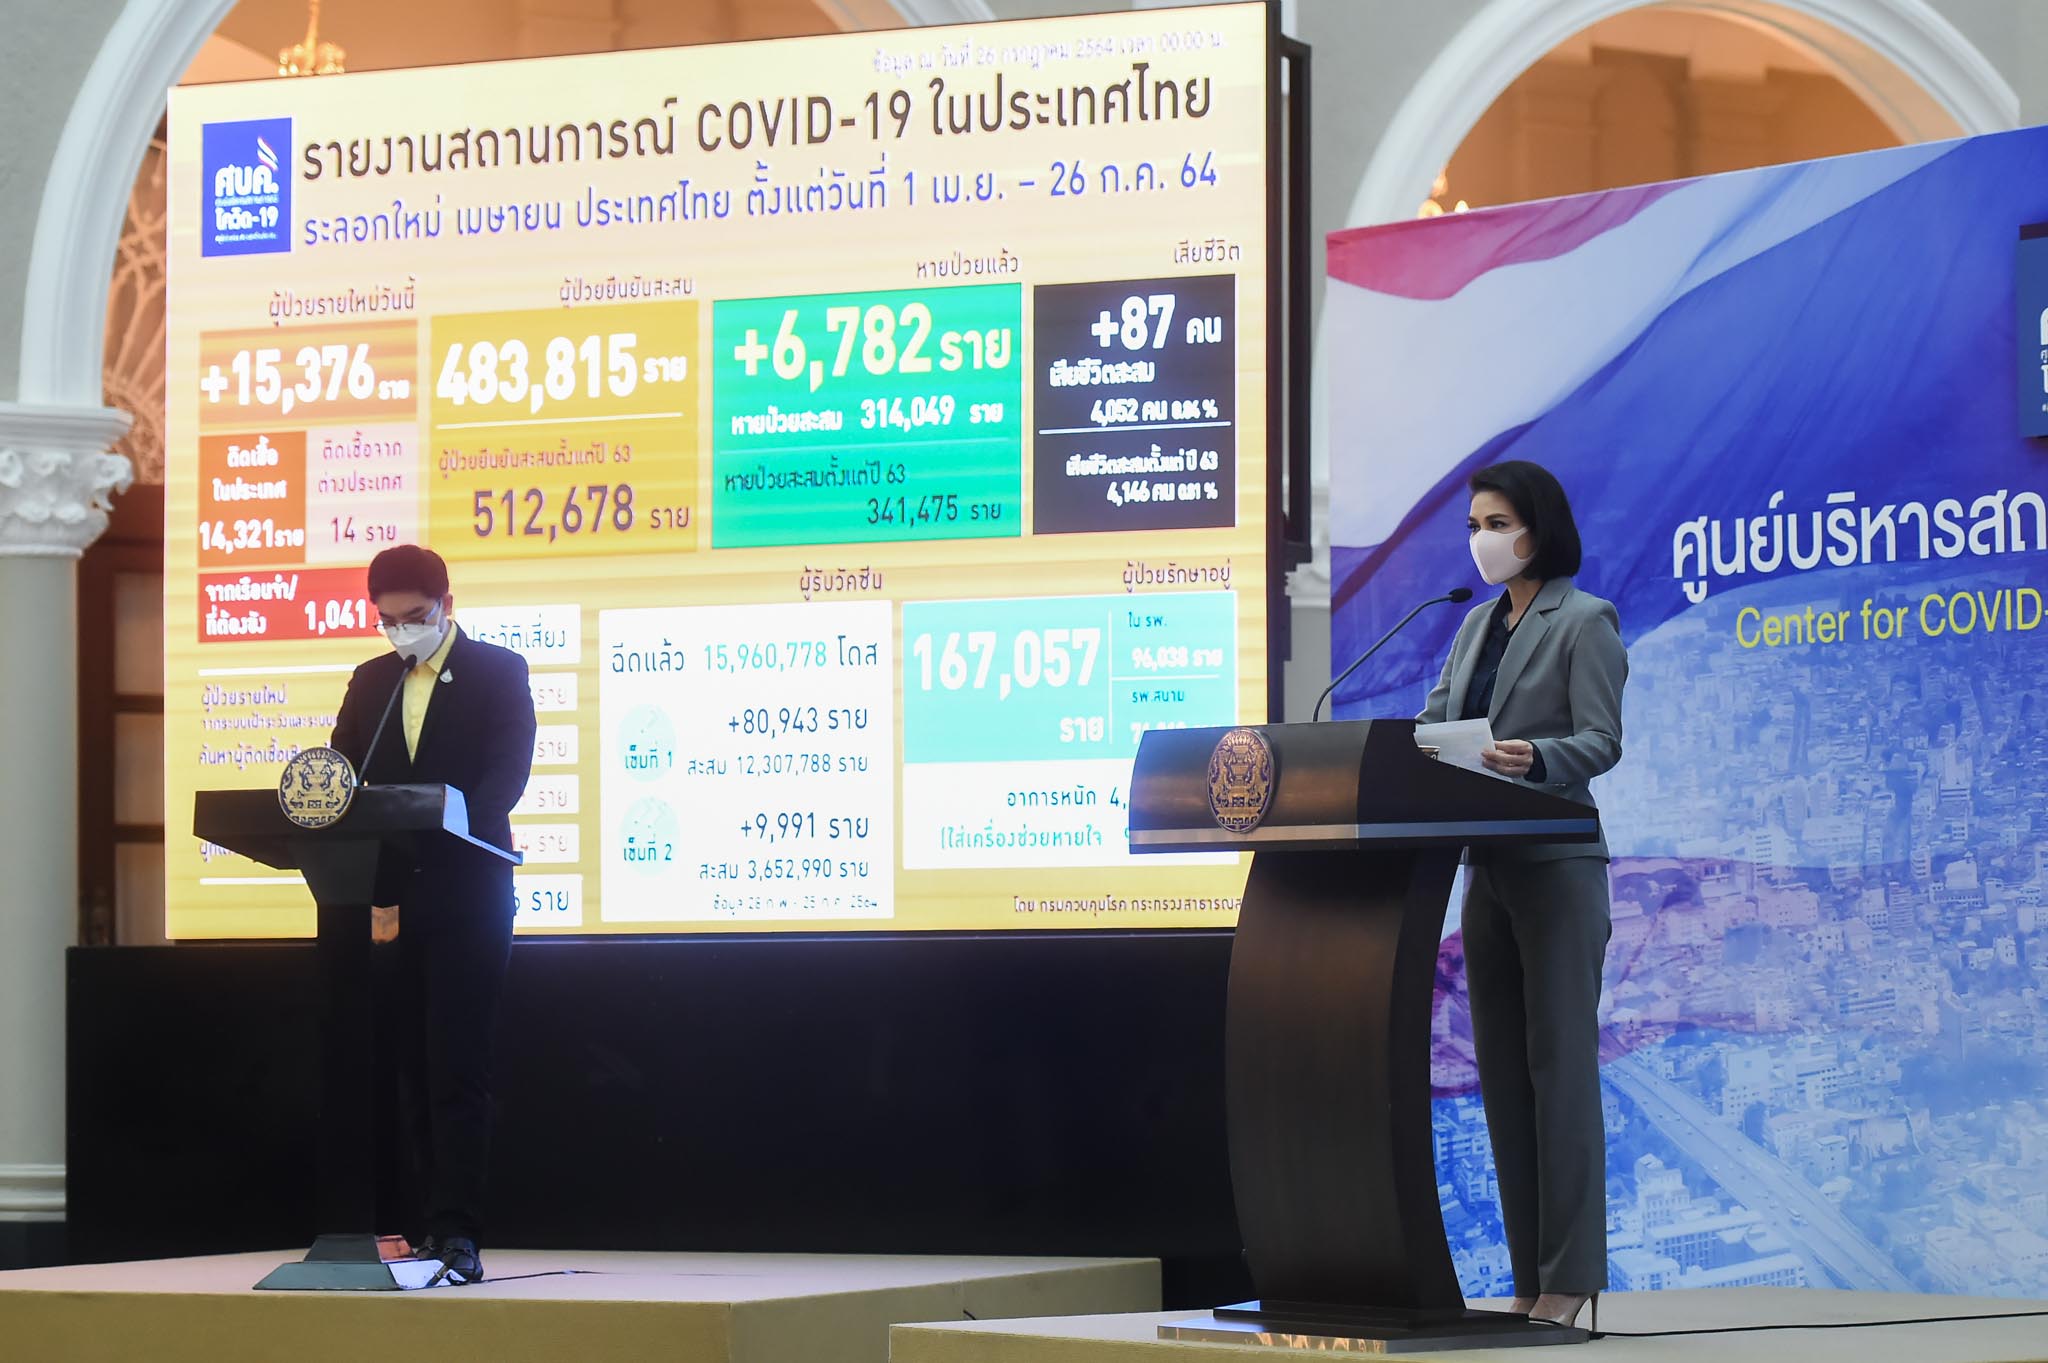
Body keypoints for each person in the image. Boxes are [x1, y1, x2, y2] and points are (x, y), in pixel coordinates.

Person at [1418, 460, 1626, 1330]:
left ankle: (1570, 1276)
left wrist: (1536, 757)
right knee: (1503, 1077)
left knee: (1560, 1073)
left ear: (1538, 529)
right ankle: (1526, 1272)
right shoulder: (1473, 625)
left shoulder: (1585, 619)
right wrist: (1410, 749)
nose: (1482, 539)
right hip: (1487, 869)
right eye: (1474, 525)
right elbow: (1433, 723)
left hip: (1558, 866)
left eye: (1497, 523)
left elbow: (1601, 740)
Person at [329, 544, 536, 1285]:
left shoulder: (499, 672)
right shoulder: (371, 681)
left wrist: (439, 824)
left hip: (468, 892)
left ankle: (458, 1233)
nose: (400, 631)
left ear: (447, 603)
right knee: (409, 1070)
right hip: (390, 900)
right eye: (387, 621)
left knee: (456, 1067)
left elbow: (505, 780)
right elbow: (341, 776)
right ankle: (420, 1230)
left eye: (414, 617)